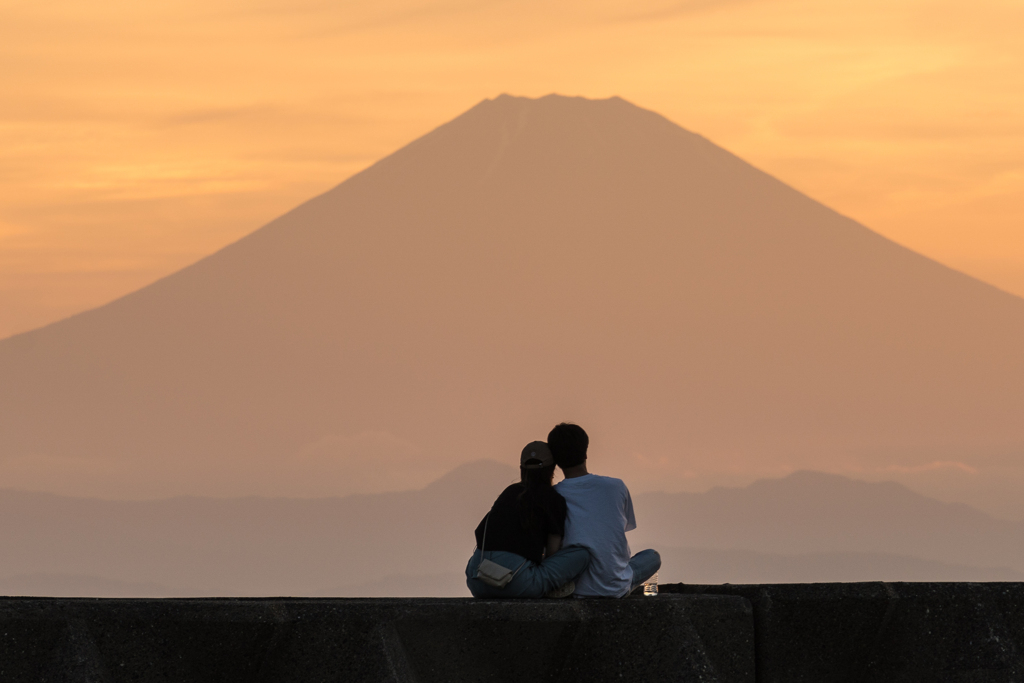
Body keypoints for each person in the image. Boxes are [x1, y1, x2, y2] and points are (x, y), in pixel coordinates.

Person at [548, 423, 661, 598]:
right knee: (652, 556)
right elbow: (613, 532)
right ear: (585, 452)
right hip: (616, 588)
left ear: (555, 459)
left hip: (575, 589)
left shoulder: (553, 496)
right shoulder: (616, 487)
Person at [466, 441, 590, 598]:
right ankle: (549, 590)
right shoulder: (553, 499)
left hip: (477, 581)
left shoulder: (509, 492)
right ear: (552, 470)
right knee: (582, 554)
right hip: (515, 585)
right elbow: (552, 552)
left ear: (521, 469)